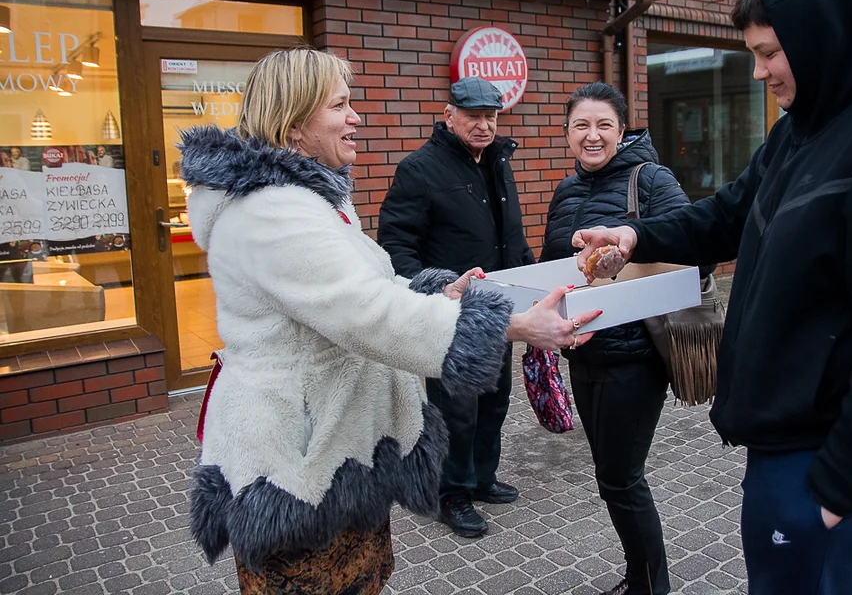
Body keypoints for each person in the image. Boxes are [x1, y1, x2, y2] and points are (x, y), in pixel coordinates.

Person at [573, 0, 852, 595]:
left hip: (836, 449)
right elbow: (728, 213)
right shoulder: (802, 131)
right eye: (753, 53)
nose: (759, 71)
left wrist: (840, 488)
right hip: (796, 435)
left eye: (771, 53)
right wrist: (635, 234)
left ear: (825, 41)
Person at [183, 49, 595, 594]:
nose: (357, 117)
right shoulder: (271, 210)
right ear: (294, 122)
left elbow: (372, 286)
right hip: (298, 463)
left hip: (336, 445)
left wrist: (440, 290)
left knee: (363, 577)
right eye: (340, 105)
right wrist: (508, 326)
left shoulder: (310, 199)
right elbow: (366, 314)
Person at [542, 82, 695, 595]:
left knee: (622, 479)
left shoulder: (649, 180)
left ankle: (651, 586)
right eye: (581, 125)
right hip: (584, 352)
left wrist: (629, 254)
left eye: (604, 125)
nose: (592, 135)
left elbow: (696, 251)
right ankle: (640, 577)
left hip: (635, 356)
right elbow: (553, 271)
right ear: (566, 134)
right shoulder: (565, 191)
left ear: (621, 130)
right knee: (613, 479)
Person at [378, 76, 535, 538]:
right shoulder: (419, 169)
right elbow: (397, 245)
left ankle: (482, 477)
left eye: (491, 116)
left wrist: (528, 279)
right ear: (449, 116)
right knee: (455, 411)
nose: (484, 125)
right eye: (474, 116)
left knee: (495, 401)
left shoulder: (498, 161)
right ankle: (452, 495)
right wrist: (435, 290)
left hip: (498, 306)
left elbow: (512, 236)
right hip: (451, 314)